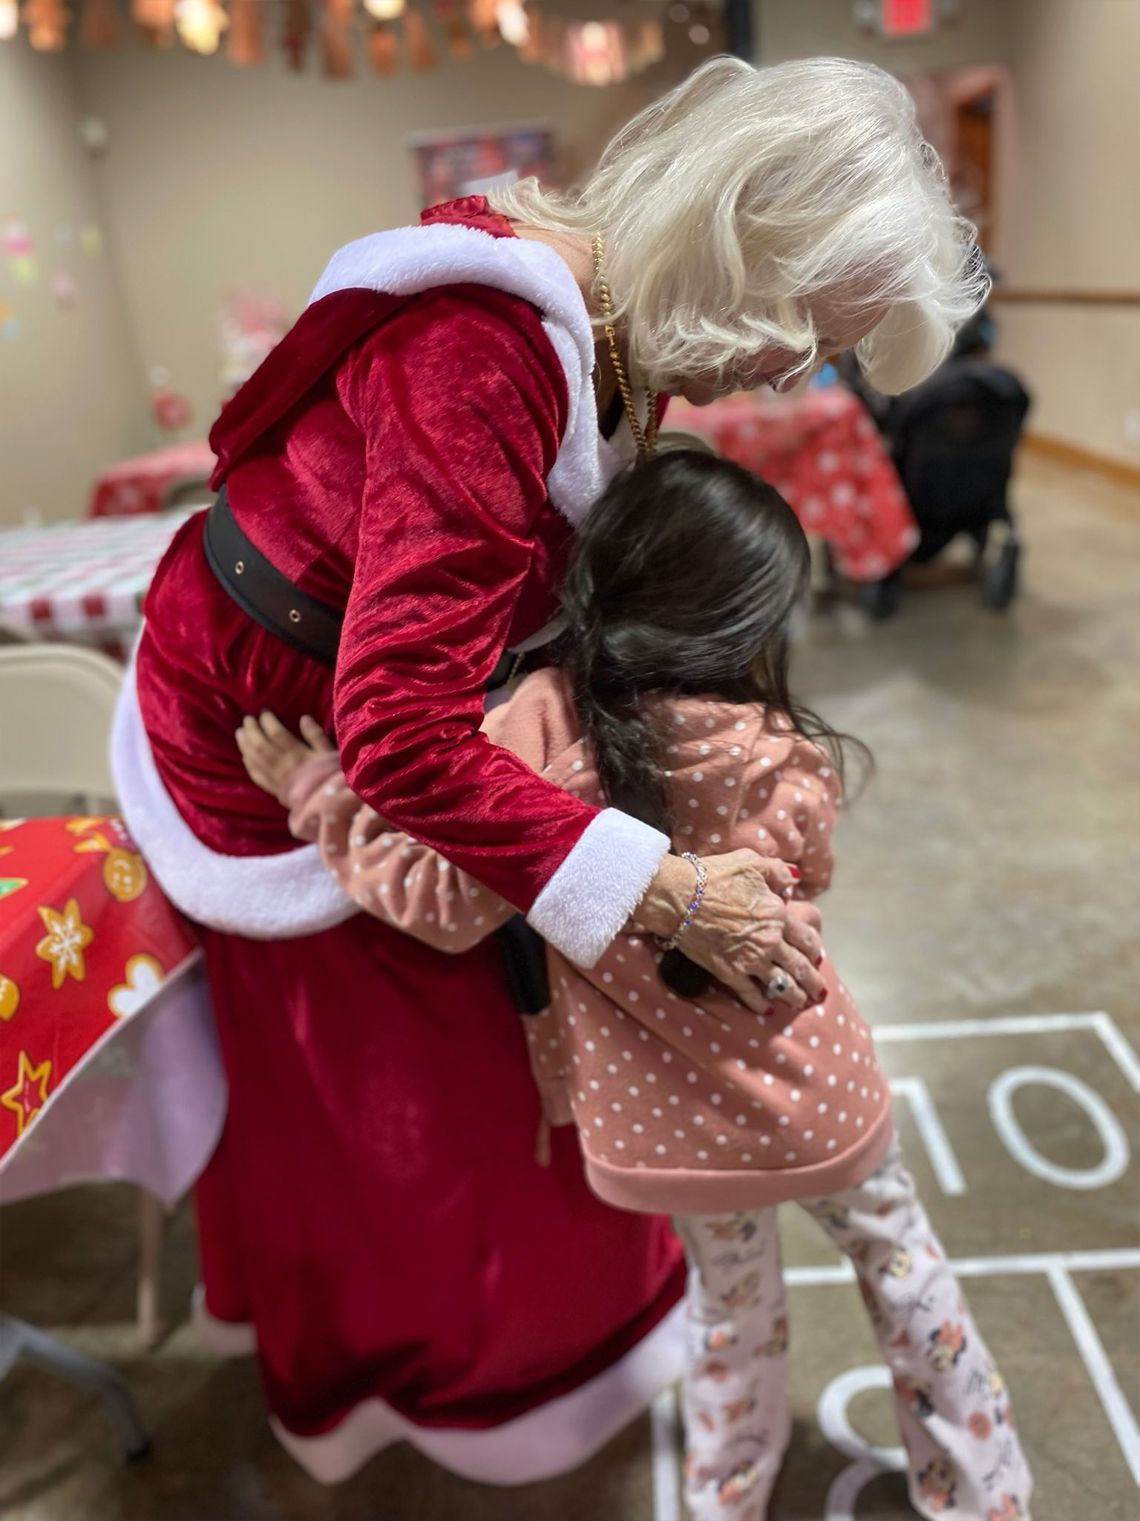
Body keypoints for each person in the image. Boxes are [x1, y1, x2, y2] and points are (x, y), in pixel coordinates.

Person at [111, 54, 986, 1478]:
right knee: (405, 1104)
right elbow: (394, 732)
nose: (793, 373)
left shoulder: (616, 326)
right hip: (276, 726)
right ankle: (440, 1393)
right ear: (743, 252)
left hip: (375, 734)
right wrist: (656, 888)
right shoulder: (490, 351)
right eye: (805, 331)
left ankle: (556, 1356)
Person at [240, 451, 1033, 1521]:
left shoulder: (535, 731)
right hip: (820, 1096)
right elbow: (816, 878)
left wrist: (316, 791)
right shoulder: (780, 750)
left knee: (729, 1317)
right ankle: (986, 1496)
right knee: (906, 1273)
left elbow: (438, 901)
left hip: (667, 1133)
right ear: (749, 625)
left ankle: (725, 1500)